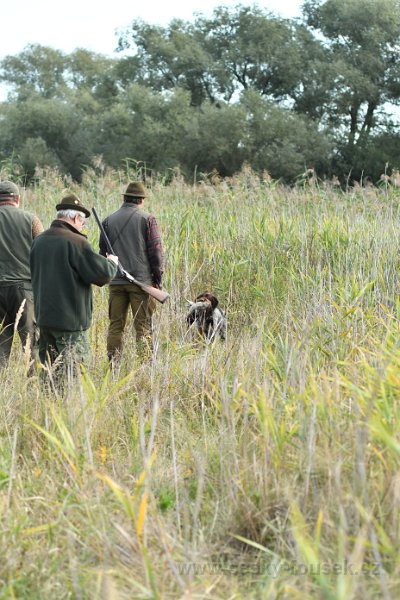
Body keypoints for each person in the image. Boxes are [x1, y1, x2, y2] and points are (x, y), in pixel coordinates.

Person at [30, 193, 118, 367]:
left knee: (48, 374)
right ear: (77, 217)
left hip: (44, 319)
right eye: (82, 223)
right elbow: (103, 275)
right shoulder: (77, 242)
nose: (82, 227)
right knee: (74, 374)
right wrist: (112, 263)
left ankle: (49, 396)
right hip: (70, 324)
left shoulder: (39, 241)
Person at [99, 182, 164, 361]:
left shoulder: (107, 220)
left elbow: (102, 253)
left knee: (115, 326)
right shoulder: (147, 219)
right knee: (143, 328)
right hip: (141, 283)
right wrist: (157, 279)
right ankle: (145, 367)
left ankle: (113, 367)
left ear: (125, 198)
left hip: (116, 283)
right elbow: (156, 253)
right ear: (141, 200)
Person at [0, 180, 43, 366]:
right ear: (17, 199)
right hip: (24, 289)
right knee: (31, 343)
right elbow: (44, 250)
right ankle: (33, 385)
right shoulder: (31, 219)